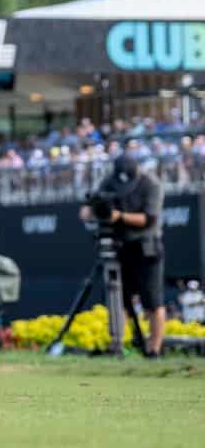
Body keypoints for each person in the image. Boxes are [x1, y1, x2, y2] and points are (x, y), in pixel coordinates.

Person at [79, 151, 166, 356]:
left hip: (146, 248)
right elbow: (93, 203)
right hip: (120, 247)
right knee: (118, 299)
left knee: (152, 301)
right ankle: (117, 345)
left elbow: (150, 219)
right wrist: (88, 210)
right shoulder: (109, 180)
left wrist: (119, 216)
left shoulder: (150, 183)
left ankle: (154, 349)